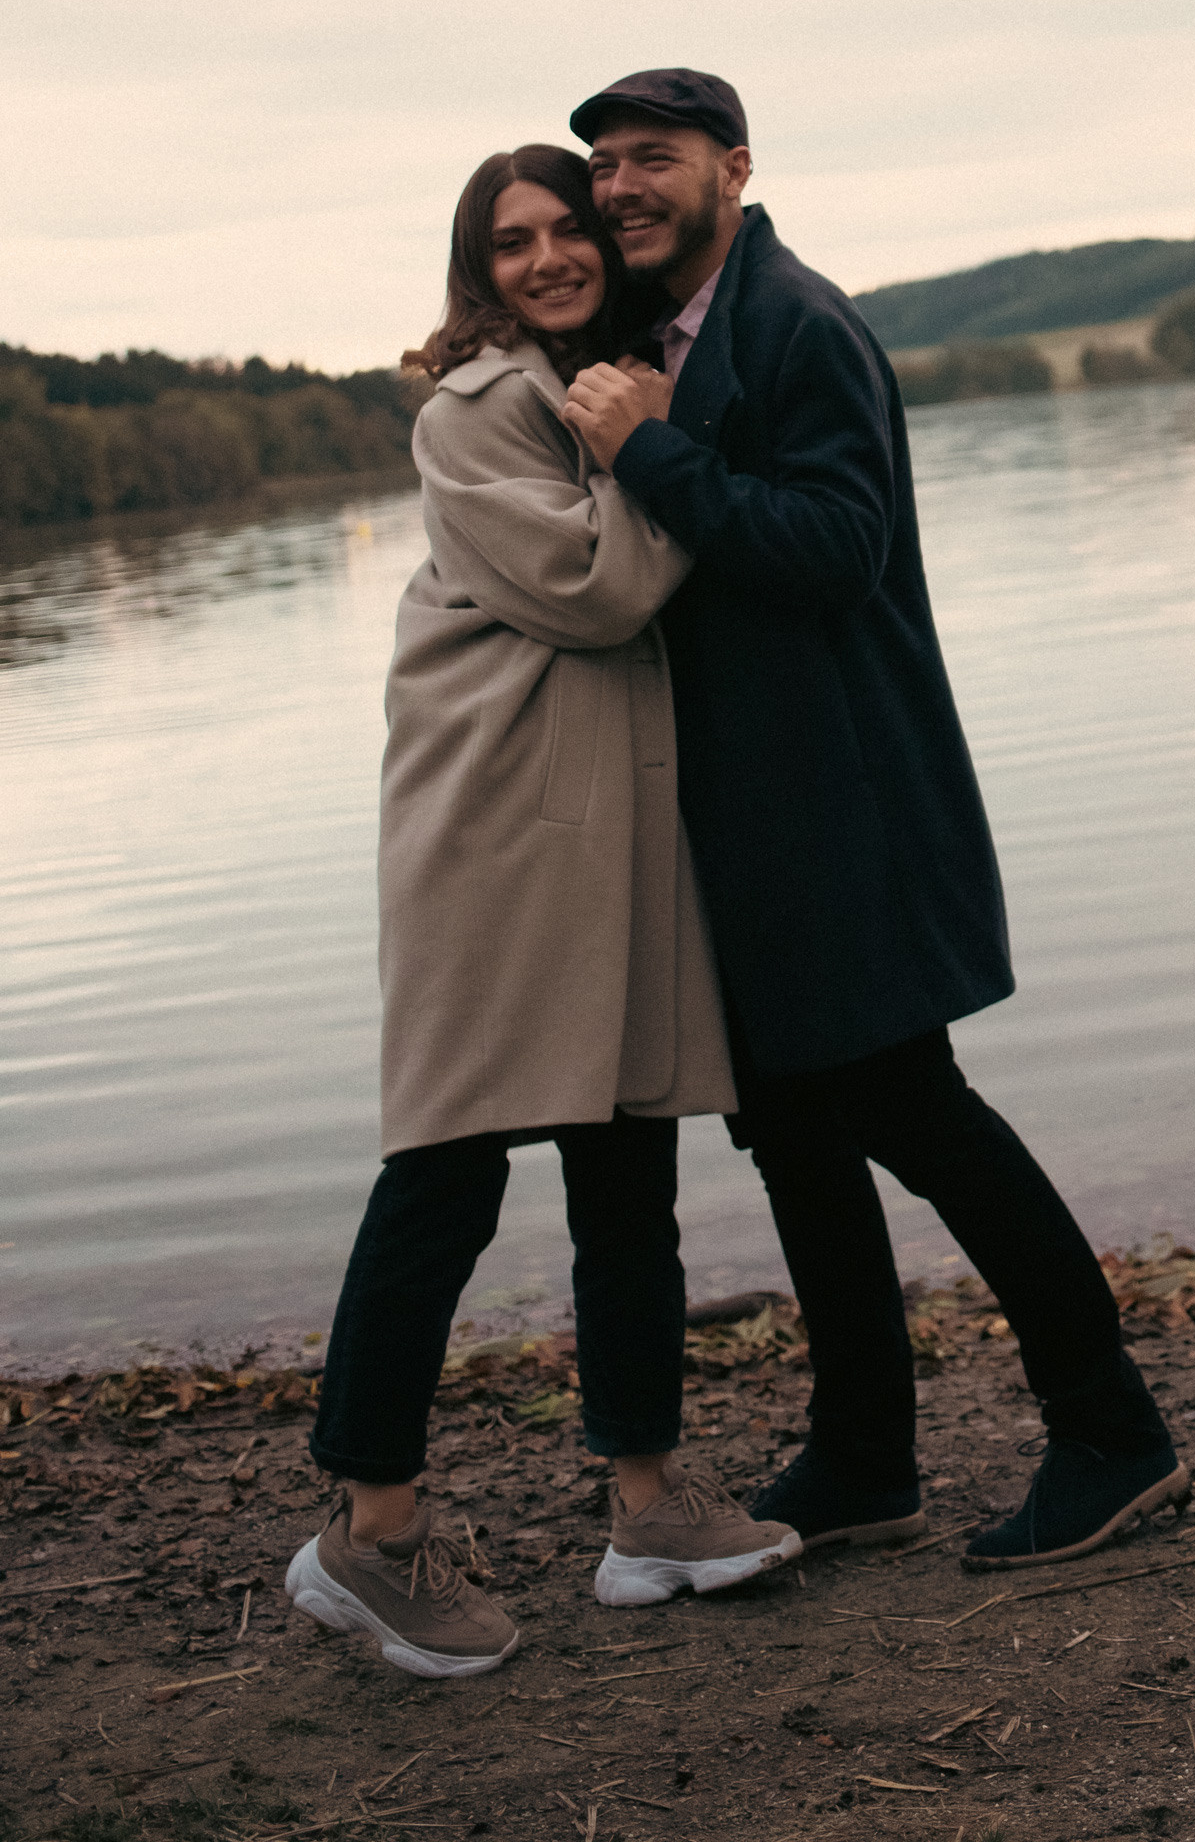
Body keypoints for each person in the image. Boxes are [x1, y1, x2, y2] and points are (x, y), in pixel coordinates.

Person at [561, 68, 1187, 1569]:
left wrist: (652, 451)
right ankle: (863, 1455)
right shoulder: (669, 335)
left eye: (656, 157)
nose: (624, 186)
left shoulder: (794, 323)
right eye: (606, 167)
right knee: (791, 1139)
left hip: (846, 817)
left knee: (926, 1123)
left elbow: (837, 550)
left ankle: (1112, 1436)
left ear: (735, 166)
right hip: (755, 842)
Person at [286, 144, 799, 1683]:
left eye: (567, 228)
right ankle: (368, 1537)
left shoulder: (605, 380)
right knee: (443, 1175)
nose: (549, 258)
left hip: (609, 842)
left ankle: (649, 1505)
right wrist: (658, 462)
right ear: (478, 268)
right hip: (493, 844)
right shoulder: (477, 411)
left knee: (628, 1169)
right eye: (511, 244)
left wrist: (648, 437)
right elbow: (596, 591)